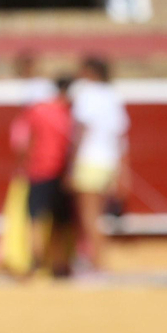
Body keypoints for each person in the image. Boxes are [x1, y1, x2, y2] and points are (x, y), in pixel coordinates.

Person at [68, 56, 128, 273]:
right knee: (98, 217)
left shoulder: (86, 94)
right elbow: (121, 137)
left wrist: (71, 164)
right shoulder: (113, 96)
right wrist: (122, 170)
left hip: (88, 160)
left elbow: (81, 131)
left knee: (88, 217)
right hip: (108, 162)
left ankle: (97, 262)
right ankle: (99, 260)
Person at [14, 77, 76, 276]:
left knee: (36, 218)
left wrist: (24, 164)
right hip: (61, 171)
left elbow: (22, 141)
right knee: (60, 221)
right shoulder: (67, 112)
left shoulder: (35, 111)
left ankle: (36, 260)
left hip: (38, 170)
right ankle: (59, 263)